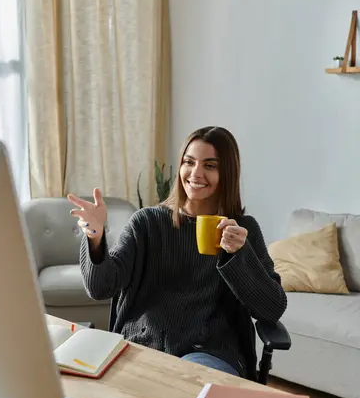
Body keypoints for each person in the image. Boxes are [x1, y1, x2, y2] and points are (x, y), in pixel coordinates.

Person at [67, 126, 287, 379]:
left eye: (210, 165)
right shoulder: (147, 223)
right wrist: (95, 237)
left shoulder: (243, 230)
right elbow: (100, 287)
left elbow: (272, 309)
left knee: (187, 395)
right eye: (189, 162)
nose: (196, 173)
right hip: (144, 346)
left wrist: (239, 255)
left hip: (210, 353)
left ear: (228, 172)